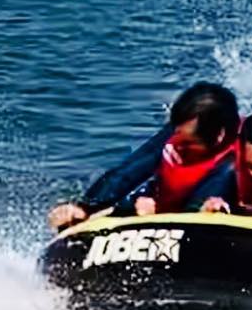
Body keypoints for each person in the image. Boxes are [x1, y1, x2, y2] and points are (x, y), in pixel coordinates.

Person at [47, 82, 240, 231]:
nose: (178, 147)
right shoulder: (179, 134)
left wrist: (159, 219)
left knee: (228, 171)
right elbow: (127, 172)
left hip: (202, 222)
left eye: (188, 144)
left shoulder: (242, 156)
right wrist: (86, 207)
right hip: (154, 207)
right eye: (178, 136)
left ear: (219, 136)